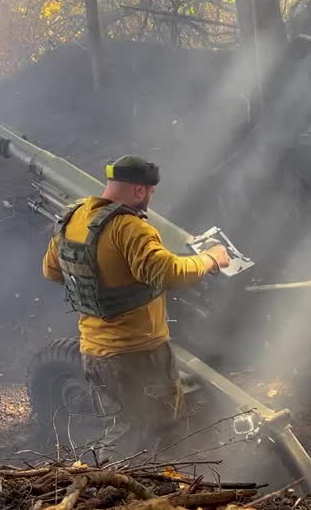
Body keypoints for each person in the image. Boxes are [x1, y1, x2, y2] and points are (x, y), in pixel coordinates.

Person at [42, 155, 230, 460]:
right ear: (140, 190)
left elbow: (51, 271)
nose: (150, 200)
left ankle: (119, 489)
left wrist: (108, 276)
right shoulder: (130, 228)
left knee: (119, 424)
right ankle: (151, 491)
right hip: (139, 355)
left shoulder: (73, 218)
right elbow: (168, 272)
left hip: (94, 351)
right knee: (161, 430)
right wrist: (211, 259)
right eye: (151, 193)